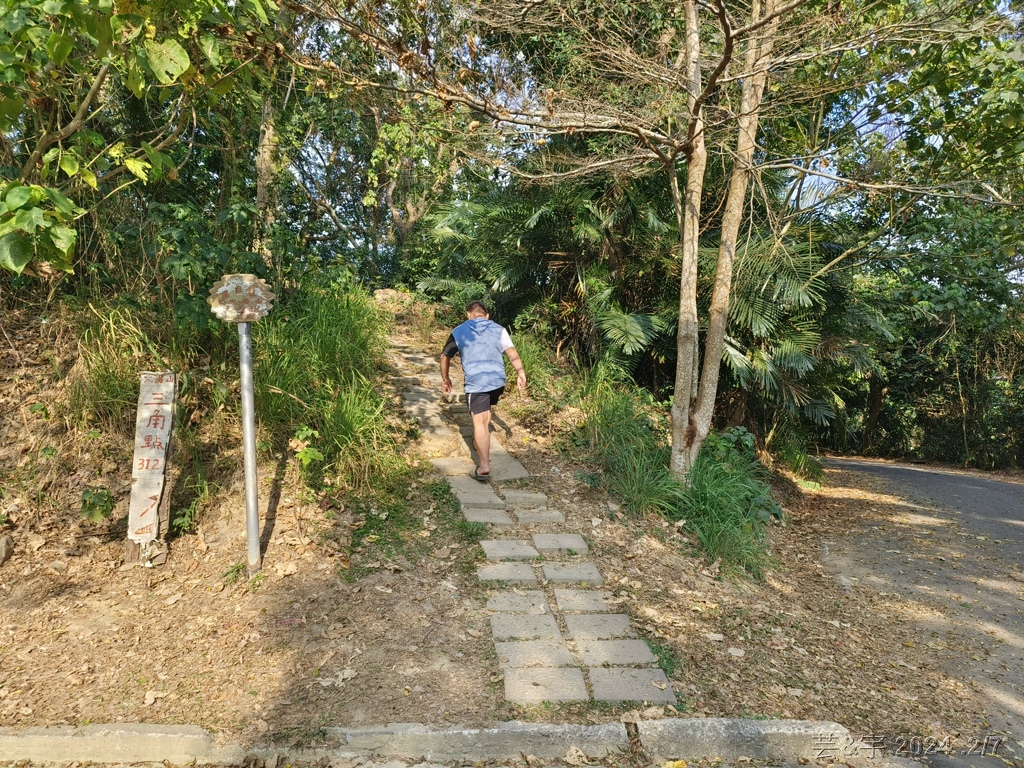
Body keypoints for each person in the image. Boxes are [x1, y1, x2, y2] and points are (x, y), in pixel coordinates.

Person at [439, 300, 527, 481]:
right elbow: (511, 352)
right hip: (497, 381)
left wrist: (446, 378)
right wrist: (521, 372)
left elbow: (445, 355)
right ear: (487, 316)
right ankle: (480, 441)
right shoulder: (498, 329)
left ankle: (484, 466)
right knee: (485, 417)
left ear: (468, 315)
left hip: (477, 382)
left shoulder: (459, 331)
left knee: (479, 422)